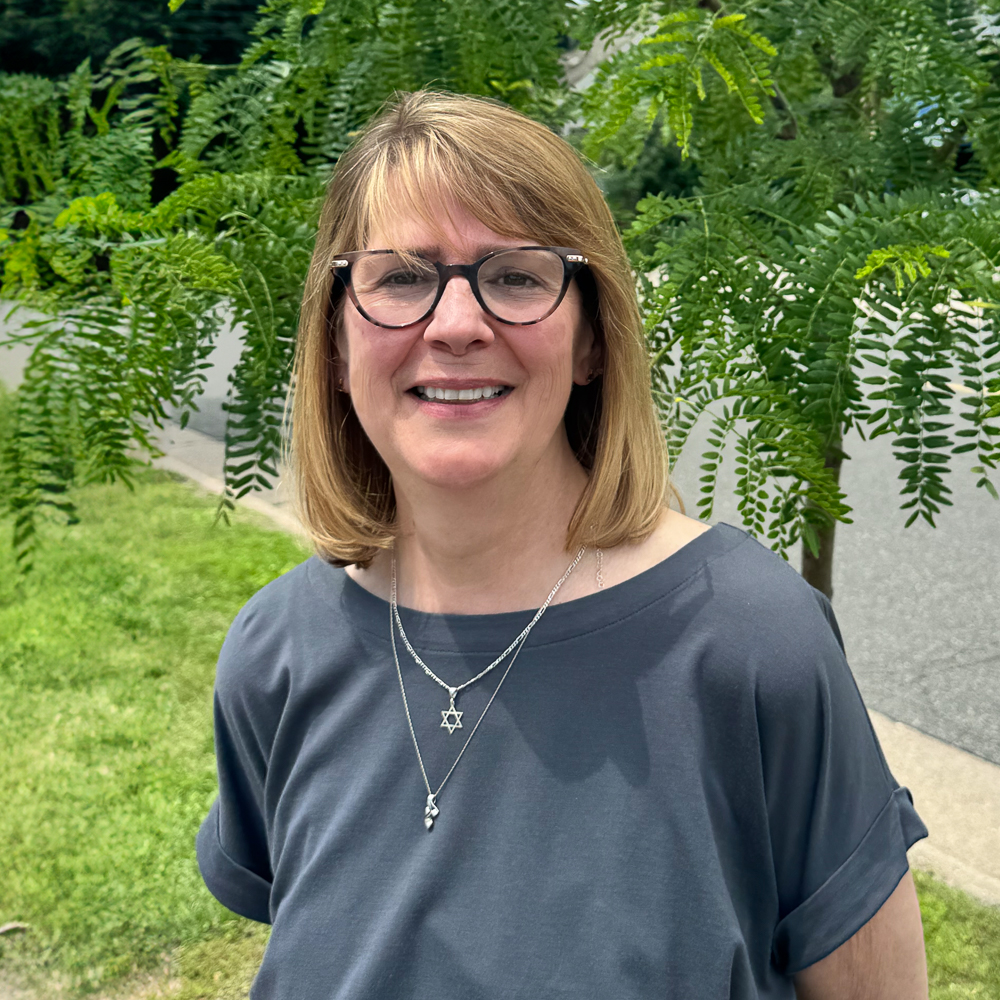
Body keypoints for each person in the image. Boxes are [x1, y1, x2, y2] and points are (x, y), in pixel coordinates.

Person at [196, 90, 929, 999]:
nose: (456, 325)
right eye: (399, 277)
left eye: (515, 276)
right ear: (336, 341)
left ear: (590, 339)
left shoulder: (751, 642)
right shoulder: (275, 653)